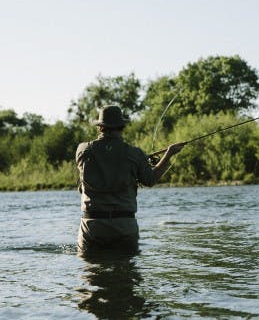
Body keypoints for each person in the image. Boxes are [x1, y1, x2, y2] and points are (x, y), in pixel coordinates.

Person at [76, 105, 185, 253]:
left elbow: (87, 180)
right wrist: (169, 154)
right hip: (124, 226)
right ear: (122, 127)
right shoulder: (135, 154)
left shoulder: (83, 150)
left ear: (100, 127)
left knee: (92, 273)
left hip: (92, 226)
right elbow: (150, 180)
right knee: (127, 274)